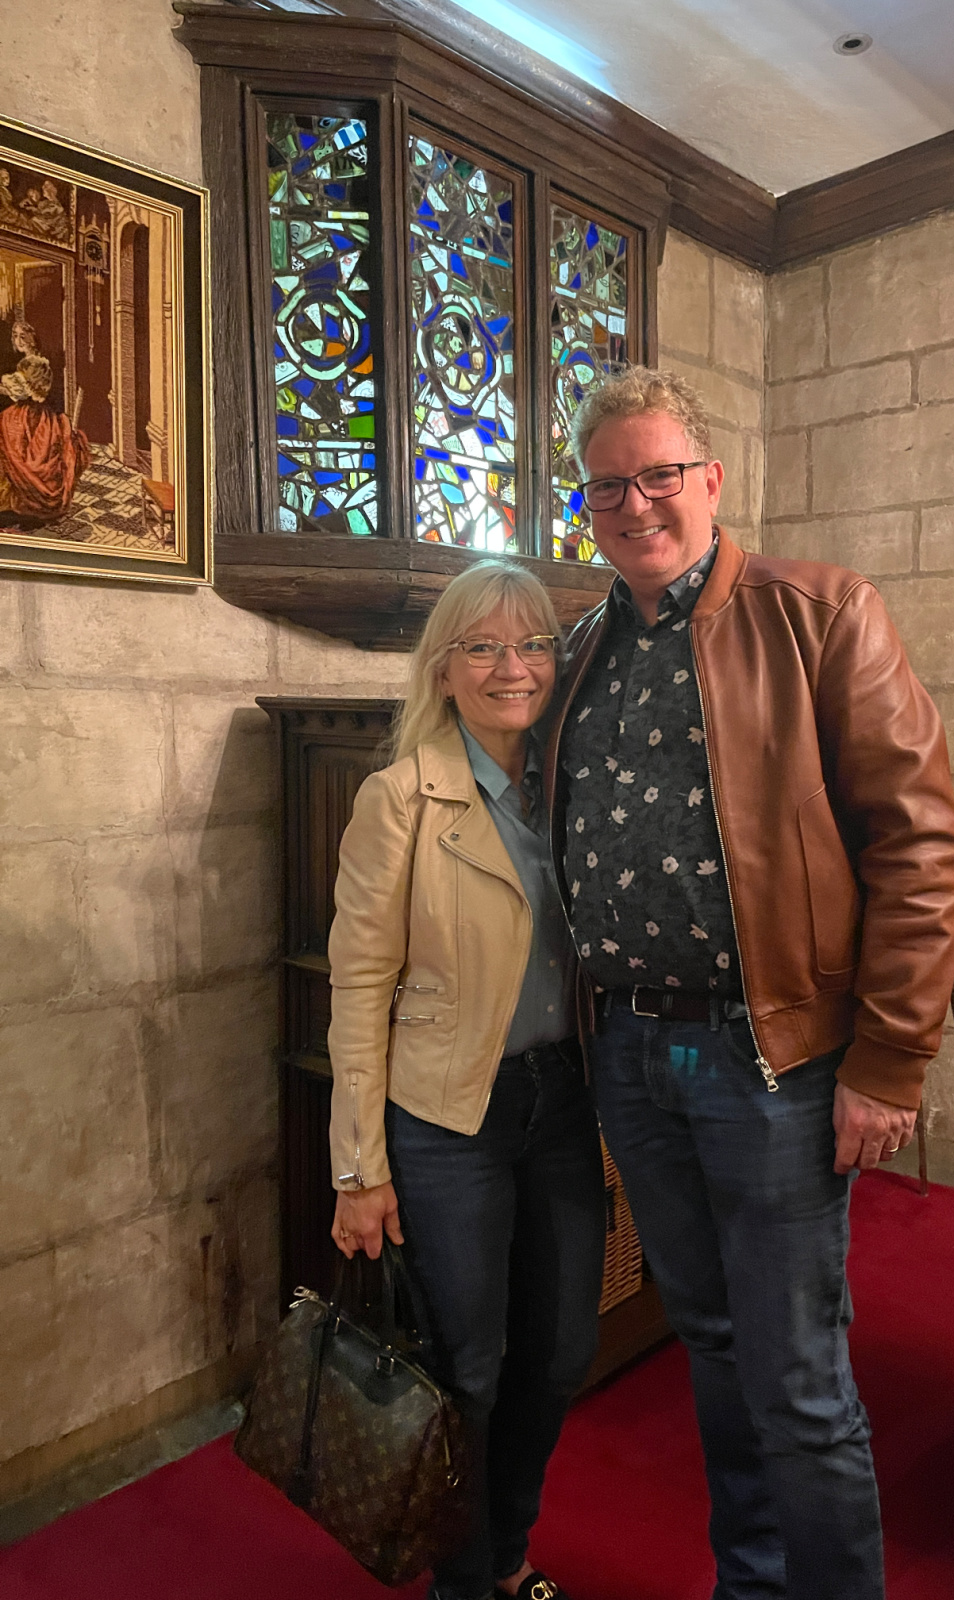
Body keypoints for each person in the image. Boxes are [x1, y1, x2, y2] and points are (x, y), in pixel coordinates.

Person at [546, 366, 954, 1600]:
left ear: (711, 480)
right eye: (608, 485)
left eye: (658, 475)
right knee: (714, 1346)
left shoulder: (818, 612)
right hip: (631, 1051)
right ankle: (756, 1582)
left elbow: (921, 842)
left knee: (794, 1371)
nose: (635, 503)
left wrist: (888, 1059)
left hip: (769, 1059)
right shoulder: (583, 650)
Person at [327, 560, 605, 1600]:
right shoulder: (399, 797)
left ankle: (507, 1545)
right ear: (444, 672)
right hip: (449, 1117)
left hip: (560, 1101)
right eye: (483, 646)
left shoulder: (575, 789)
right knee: (470, 1367)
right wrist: (360, 1169)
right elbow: (358, 986)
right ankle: (471, 1576)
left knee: (562, 1349)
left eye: (532, 643)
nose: (512, 666)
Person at [0, 349, 90, 523]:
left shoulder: (12, 418)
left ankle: (18, 505)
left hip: (25, 417)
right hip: (35, 415)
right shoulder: (53, 420)